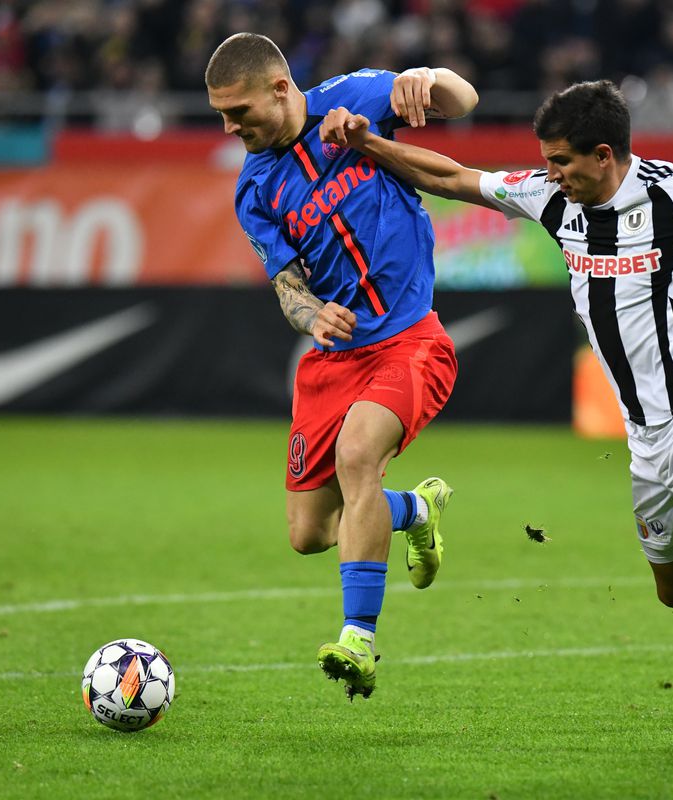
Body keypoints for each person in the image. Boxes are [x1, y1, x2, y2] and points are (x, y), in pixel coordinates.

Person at [319, 79, 673, 752]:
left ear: (603, 154)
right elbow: (452, 176)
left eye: (563, 161)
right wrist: (368, 143)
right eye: (547, 161)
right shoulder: (550, 199)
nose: (552, 174)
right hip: (646, 435)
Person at [205, 33, 479, 701]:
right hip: (333, 363)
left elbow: (463, 100)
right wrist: (311, 316)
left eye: (237, 111)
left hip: (410, 341)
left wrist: (424, 76)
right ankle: (414, 510)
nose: (228, 126)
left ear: (280, 87)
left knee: (359, 456)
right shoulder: (255, 190)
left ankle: (358, 640)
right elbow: (287, 286)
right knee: (309, 534)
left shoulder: (353, 99)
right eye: (220, 114)